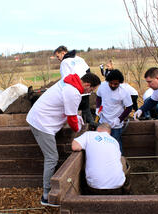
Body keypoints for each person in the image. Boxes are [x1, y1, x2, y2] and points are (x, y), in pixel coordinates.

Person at [26, 72, 101, 207]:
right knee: (52, 157)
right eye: (92, 90)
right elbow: (71, 119)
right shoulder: (72, 92)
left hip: (40, 117)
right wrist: (80, 132)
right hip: (42, 123)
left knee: (52, 156)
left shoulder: (69, 83)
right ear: (88, 85)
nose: (90, 92)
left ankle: (47, 191)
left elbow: (69, 112)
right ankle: (46, 196)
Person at [71, 123, 126, 195]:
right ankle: (127, 192)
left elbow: (75, 147)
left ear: (97, 129)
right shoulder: (115, 141)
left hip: (95, 187)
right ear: (109, 132)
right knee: (122, 159)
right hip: (117, 186)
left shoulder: (89, 134)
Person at [54, 46, 94, 125]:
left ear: (63, 53)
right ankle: (92, 127)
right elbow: (88, 72)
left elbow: (66, 80)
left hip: (75, 92)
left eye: (58, 56)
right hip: (86, 90)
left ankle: (76, 131)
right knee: (86, 112)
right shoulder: (80, 59)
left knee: (72, 113)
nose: (58, 59)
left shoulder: (65, 62)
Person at [96, 69, 133, 154]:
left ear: (120, 83)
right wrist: (98, 108)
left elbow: (129, 107)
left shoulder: (124, 92)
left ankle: (120, 162)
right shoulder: (102, 86)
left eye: (116, 84)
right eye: (111, 83)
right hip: (103, 121)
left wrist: (119, 119)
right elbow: (98, 97)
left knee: (115, 143)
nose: (113, 85)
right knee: (103, 143)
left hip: (115, 123)